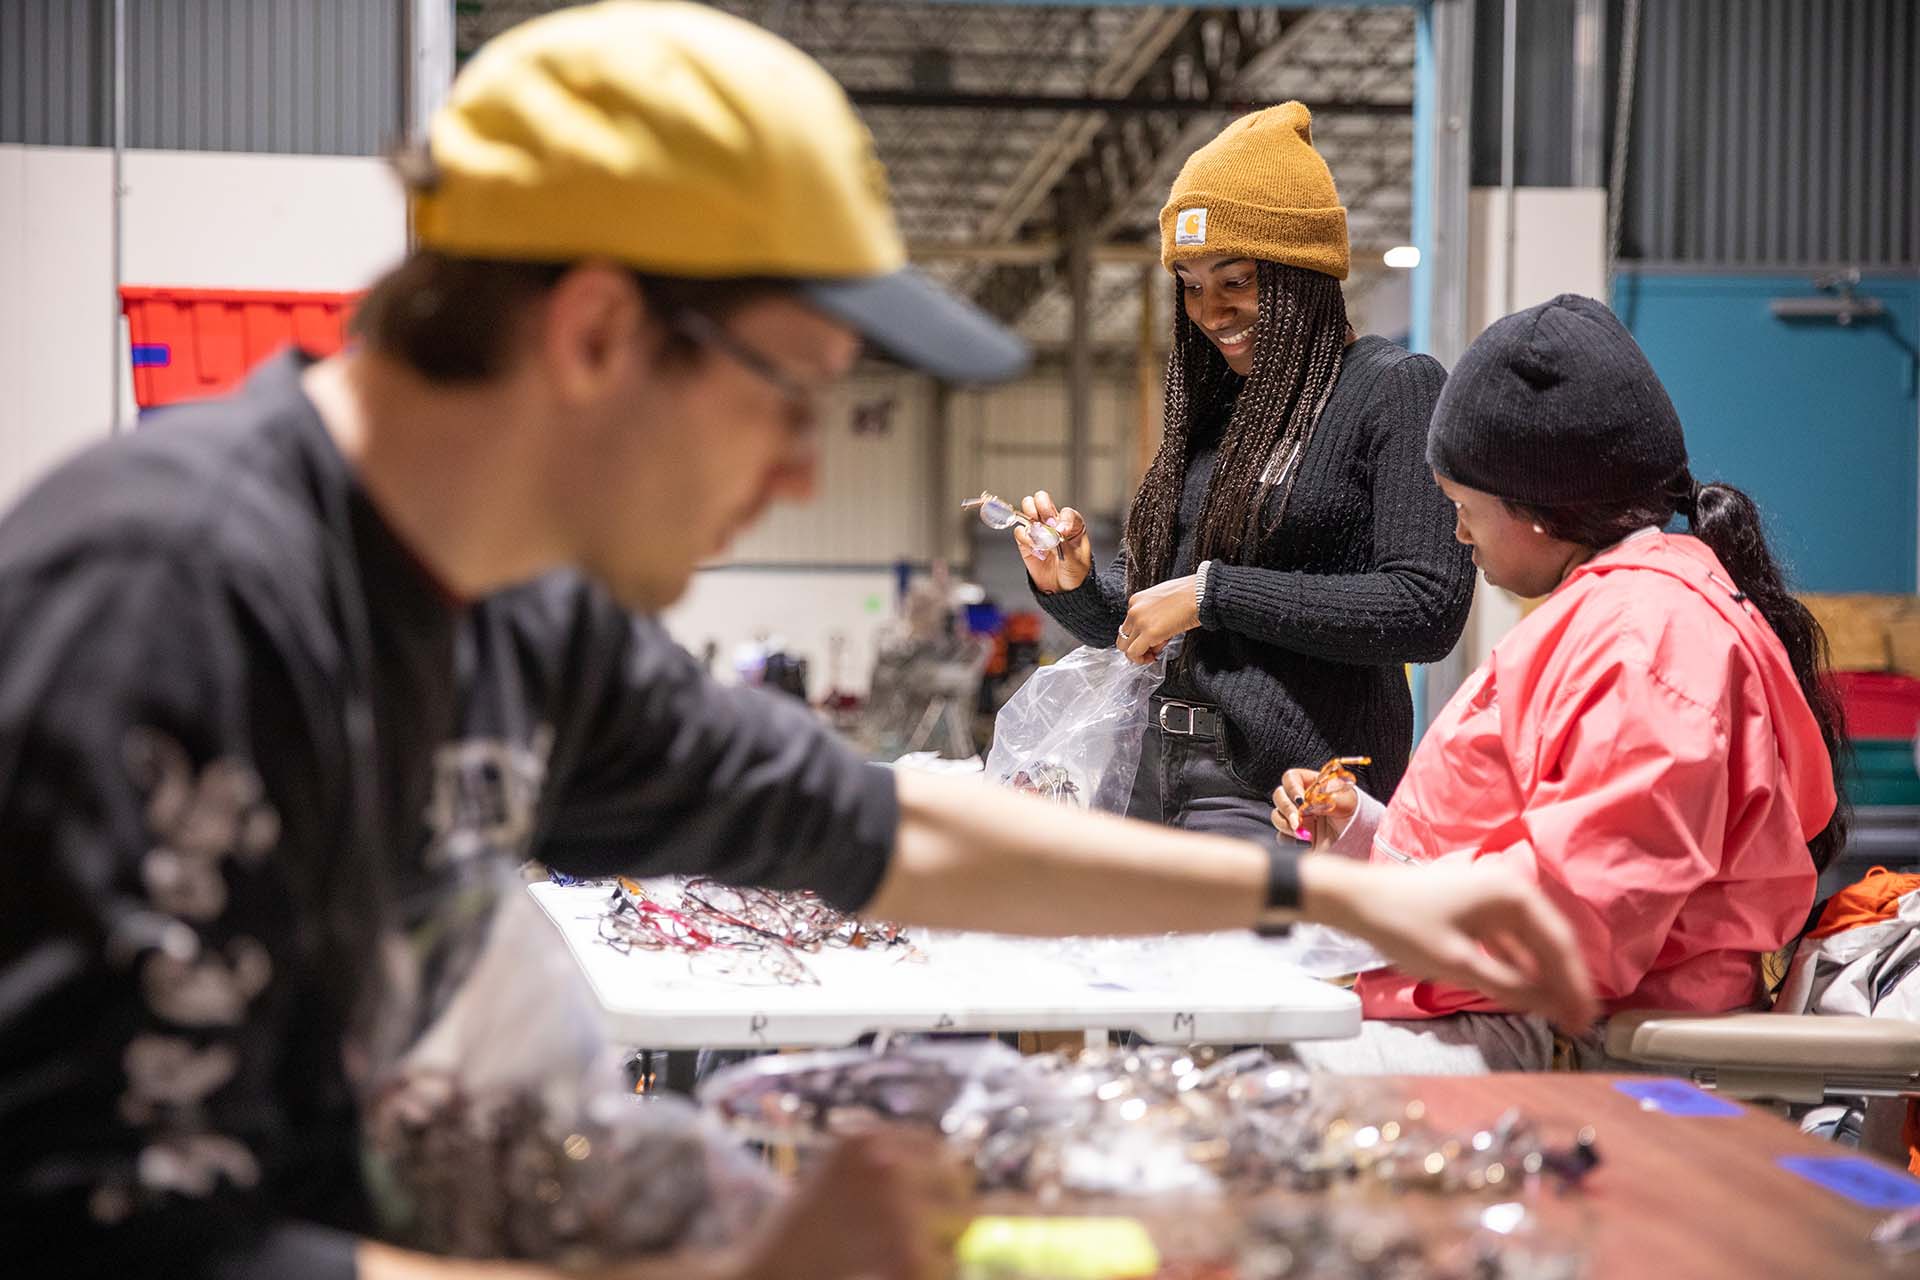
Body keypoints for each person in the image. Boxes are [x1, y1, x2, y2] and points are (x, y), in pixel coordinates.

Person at [0, 6, 1594, 1277]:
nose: (800, 473)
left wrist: (1341, 888)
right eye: (788, 390)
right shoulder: (173, 602)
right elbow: (103, 1236)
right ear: (601, 333)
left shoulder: (518, 625)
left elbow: (882, 826)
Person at [1272, 294, 1845, 1075]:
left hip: (1568, 1042)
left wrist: (1370, 907)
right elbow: (1539, 842)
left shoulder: (1649, 646)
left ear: (1538, 511)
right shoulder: (1625, 615)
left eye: (1465, 507)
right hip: (1504, 1004)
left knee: (1257, 1086)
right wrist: (1372, 835)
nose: (1459, 532)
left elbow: (1581, 924)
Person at [1018, 102, 1472, 843]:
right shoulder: (1213, 413)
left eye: (1236, 280)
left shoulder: (1394, 389)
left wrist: (1212, 595)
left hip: (1287, 794)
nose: (1212, 310)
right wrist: (1069, 582)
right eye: (1192, 285)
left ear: (1302, 274)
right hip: (1151, 773)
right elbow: (1141, 623)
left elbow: (1426, 607)